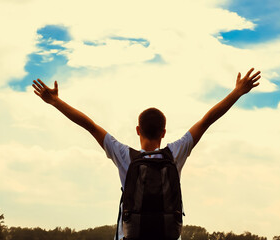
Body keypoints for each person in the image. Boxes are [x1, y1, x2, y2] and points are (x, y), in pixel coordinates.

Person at [32, 68, 261, 240]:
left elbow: (90, 125)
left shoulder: (124, 156)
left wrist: (55, 101)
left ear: (138, 130)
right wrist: (238, 91)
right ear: (163, 132)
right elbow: (207, 120)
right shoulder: (175, 153)